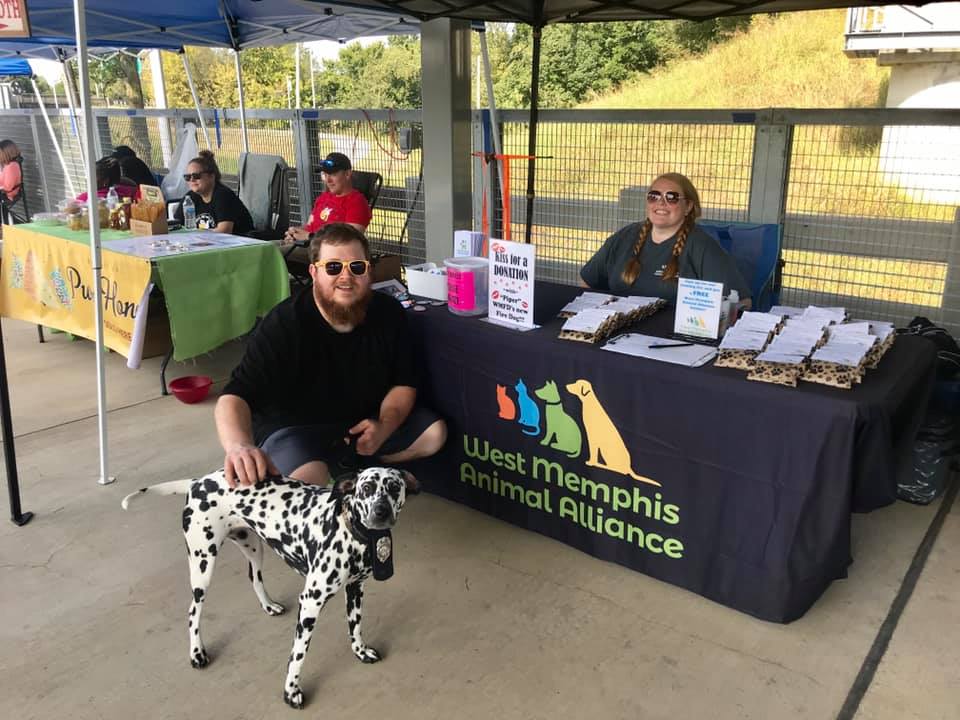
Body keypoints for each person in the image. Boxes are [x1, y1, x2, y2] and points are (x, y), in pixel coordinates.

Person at [216, 222, 447, 487]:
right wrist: (239, 446)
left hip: (358, 425)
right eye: (333, 267)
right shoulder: (284, 323)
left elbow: (403, 383)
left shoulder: (389, 312)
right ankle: (334, 469)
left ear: (368, 271)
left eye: (357, 267)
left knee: (434, 435)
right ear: (314, 272)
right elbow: (235, 396)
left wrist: (384, 427)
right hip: (295, 429)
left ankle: (356, 468)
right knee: (308, 480)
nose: (346, 277)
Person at [580, 172, 751, 306]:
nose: (661, 203)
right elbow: (587, 282)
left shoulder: (703, 246)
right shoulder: (625, 236)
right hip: (618, 330)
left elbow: (743, 302)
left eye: (671, 198)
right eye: (654, 196)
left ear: (688, 206)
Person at [283, 152, 371, 244]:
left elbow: (350, 240)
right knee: (273, 246)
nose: (328, 180)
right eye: (325, 175)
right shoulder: (323, 197)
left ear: (347, 174)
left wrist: (309, 236)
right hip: (305, 244)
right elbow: (309, 226)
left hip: (323, 250)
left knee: (275, 250)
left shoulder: (357, 203)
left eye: (333, 174)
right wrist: (295, 233)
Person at [173, 150, 253, 235]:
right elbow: (176, 225)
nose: (191, 180)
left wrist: (197, 235)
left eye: (196, 176)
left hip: (240, 241)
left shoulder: (223, 195)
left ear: (211, 176)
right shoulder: (190, 197)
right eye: (187, 177)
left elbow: (224, 231)